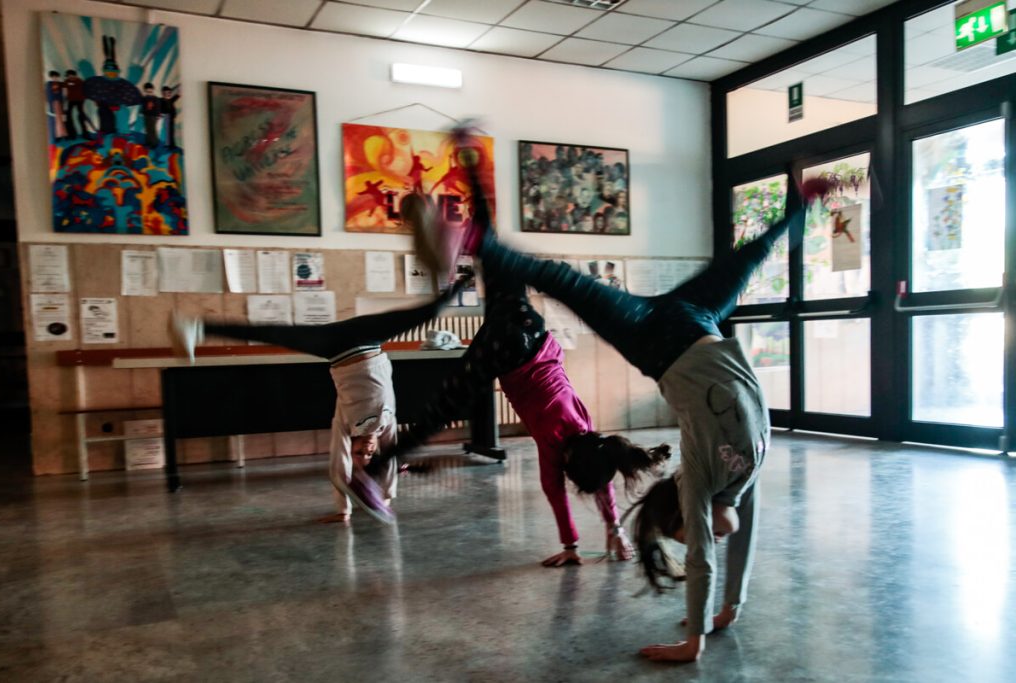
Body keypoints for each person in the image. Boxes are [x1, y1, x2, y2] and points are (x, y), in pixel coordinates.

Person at [452, 125, 828, 662]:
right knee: (750, 260)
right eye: (697, 539)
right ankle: (802, 205)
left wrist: (693, 641)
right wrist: (731, 609)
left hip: (654, 338)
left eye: (688, 534)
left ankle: (481, 244)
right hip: (700, 321)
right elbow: (744, 538)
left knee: (564, 282)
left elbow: (704, 557)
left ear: (685, 511)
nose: (706, 541)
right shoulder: (744, 479)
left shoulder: (701, 476)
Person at [369, 161, 670, 566]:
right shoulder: (554, 446)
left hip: (534, 332)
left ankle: (469, 158)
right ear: (568, 463)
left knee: (495, 253)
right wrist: (572, 545)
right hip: (507, 352)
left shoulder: (587, 432)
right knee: (441, 407)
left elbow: (602, 471)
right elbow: (556, 492)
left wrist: (607, 532)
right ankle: (378, 466)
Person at [169, 276, 470, 524]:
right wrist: (385, 498)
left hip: (336, 347)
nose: (366, 451)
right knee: (425, 312)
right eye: (370, 455)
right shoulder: (387, 424)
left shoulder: (345, 421)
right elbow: (390, 461)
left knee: (272, 333)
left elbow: (338, 466)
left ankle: (198, 326)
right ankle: (462, 281)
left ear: (352, 448)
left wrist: (345, 509)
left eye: (359, 456)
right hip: (368, 339)